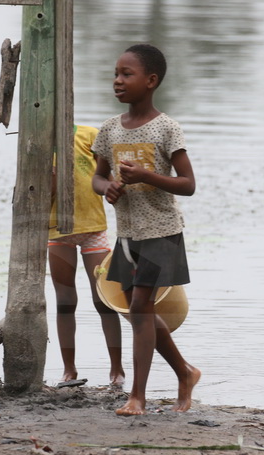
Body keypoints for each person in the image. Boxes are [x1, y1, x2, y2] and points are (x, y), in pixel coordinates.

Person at [91, 43, 201, 416]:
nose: (118, 81)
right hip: (127, 234)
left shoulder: (166, 128)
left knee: (139, 306)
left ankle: (137, 396)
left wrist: (148, 176)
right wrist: (109, 189)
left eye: (127, 74)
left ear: (151, 81)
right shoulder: (109, 130)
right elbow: (97, 178)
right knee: (138, 310)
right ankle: (185, 373)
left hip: (161, 230)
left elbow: (187, 184)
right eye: (116, 74)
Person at [48, 124, 125, 387]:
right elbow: (35, 191)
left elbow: (107, 177)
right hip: (58, 230)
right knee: (65, 301)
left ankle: (117, 370)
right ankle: (69, 370)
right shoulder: (38, 142)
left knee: (104, 299)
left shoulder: (89, 135)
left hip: (93, 226)